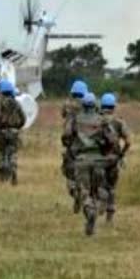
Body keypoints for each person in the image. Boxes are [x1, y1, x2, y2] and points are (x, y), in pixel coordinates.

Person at [67, 92, 116, 236]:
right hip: (99, 160)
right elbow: (112, 140)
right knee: (97, 189)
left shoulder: (75, 120)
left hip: (81, 160)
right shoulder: (102, 120)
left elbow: (66, 136)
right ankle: (101, 203)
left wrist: (73, 149)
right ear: (95, 105)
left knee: (84, 191)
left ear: (82, 105)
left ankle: (90, 211)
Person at [99, 92, 131, 223]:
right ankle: (109, 217)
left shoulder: (95, 120)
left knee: (98, 185)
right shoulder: (119, 122)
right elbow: (128, 142)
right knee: (111, 187)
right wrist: (121, 154)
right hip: (113, 159)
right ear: (113, 106)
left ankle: (96, 206)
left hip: (97, 159)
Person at [61, 79, 88, 212]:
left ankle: (74, 192)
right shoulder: (89, 104)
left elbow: (63, 115)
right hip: (86, 145)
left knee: (69, 173)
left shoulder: (67, 104)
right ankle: (82, 193)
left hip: (71, 145)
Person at [0, 80, 26, 185]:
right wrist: (17, 127)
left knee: (2, 154)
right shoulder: (16, 103)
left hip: (2, 132)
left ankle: (2, 176)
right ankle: (13, 172)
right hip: (14, 132)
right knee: (12, 153)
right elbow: (23, 118)